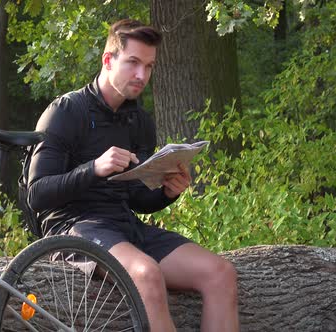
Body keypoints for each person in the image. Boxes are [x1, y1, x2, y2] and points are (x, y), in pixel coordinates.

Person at [27, 18, 239, 332]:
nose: (142, 75)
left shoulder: (139, 121)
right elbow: (37, 194)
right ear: (108, 60)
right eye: (133, 63)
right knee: (146, 272)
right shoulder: (65, 111)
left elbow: (137, 198)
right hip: (73, 227)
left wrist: (167, 192)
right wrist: (94, 168)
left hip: (125, 227)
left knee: (220, 272)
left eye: (149, 67)